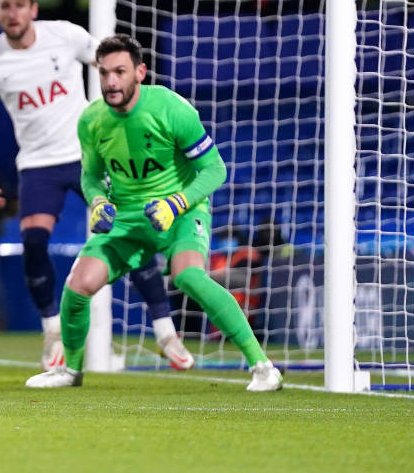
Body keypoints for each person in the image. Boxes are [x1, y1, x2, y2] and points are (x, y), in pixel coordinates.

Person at [25, 34, 283, 391]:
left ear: (140, 72)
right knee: (78, 285)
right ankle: (70, 371)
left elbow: (215, 169)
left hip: (180, 211)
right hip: (128, 219)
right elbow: (90, 176)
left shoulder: (171, 108)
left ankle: (263, 367)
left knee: (188, 277)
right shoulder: (91, 121)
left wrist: (174, 203)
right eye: (104, 73)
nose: (111, 81)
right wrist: (98, 201)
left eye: (120, 71)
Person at [0, 0, 192, 371]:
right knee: (33, 243)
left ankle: (165, 331)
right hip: (36, 164)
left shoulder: (65, 36)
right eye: (5, 6)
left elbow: (111, 65)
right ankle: (53, 332)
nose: (13, 12)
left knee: (130, 233)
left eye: (20, 4)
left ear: (33, 9)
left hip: (90, 154)